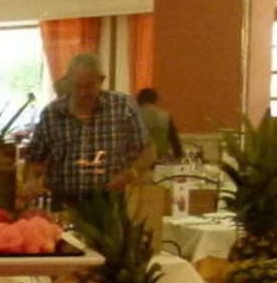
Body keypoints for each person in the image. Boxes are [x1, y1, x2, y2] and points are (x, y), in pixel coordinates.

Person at [22, 52, 150, 206]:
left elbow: (147, 151)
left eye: (89, 86)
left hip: (110, 203)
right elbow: (35, 159)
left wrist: (131, 174)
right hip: (63, 202)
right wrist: (30, 182)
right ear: (68, 81)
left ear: (101, 80)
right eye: (77, 86)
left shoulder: (123, 107)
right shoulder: (51, 113)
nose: (82, 93)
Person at [135, 87, 183, 162]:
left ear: (138, 100)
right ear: (155, 100)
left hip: (138, 160)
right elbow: (174, 140)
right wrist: (178, 157)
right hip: (160, 158)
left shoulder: (133, 115)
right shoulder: (164, 115)